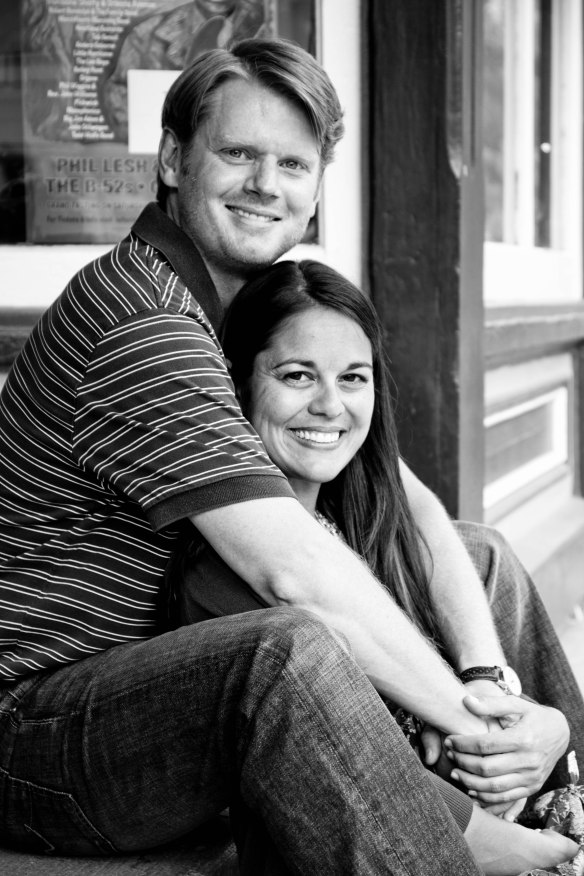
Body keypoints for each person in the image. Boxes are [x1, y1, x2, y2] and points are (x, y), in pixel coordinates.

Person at [0, 35, 580, 874]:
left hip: (139, 683)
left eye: (294, 164)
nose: (266, 184)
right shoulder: (143, 320)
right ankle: (480, 850)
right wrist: (476, 723)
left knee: (473, 553)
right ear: (172, 159)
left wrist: (496, 684)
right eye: (237, 153)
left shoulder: (223, 312)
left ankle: (569, 805)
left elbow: (408, 501)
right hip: (38, 731)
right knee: (286, 650)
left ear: (314, 192)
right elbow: (292, 571)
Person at [167, 257, 580, 872]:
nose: (330, 405)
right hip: (408, 842)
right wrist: (528, 850)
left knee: (483, 548)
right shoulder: (229, 576)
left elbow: (419, 517)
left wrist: (546, 730)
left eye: (353, 378)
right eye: (297, 375)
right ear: (240, 385)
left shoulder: (365, 530)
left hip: (509, 806)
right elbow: (344, 766)